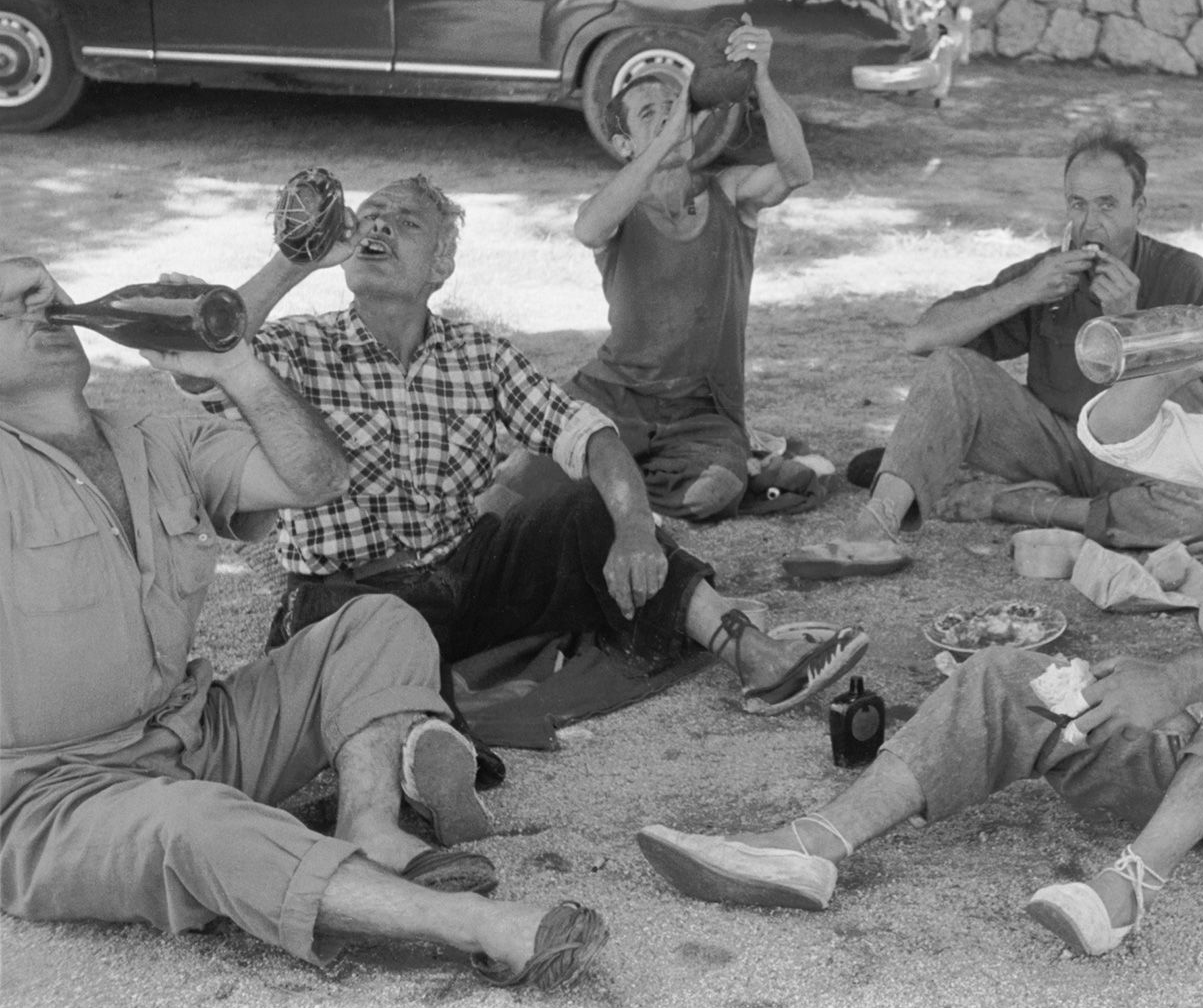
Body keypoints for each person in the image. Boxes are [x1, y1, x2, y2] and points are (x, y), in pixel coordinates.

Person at [638, 275, 1203, 955]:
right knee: (1013, 680)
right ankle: (813, 846)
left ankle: (1128, 887)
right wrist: (1175, 359)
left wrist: (1175, 682)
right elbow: (1116, 437)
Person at [0, 256, 605, 990]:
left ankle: (369, 824)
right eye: (7, 302)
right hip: (48, 798)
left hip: (194, 732)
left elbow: (316, 478)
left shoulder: (157, 437)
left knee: (378, 622)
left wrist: (238, 367)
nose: (41, 299)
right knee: (196, 825)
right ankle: (474, 926)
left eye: (45, 289)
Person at [200, 173, 866, 752]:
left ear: (440, 266)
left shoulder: (478, 354)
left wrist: (635, 528)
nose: (377, 227)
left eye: (405, 222)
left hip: (461, 578)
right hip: (349, 598)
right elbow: (206, 362)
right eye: (369, 217)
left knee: (587, 510)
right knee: (361, 656)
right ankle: (420, 759)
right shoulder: (299, 345)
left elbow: (591, 436)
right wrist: (297, 259)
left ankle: (752, 653)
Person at [782, 127, 1203, 580]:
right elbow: (920, 340)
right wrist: (1025, 290)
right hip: (1053, 446)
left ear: (1139, 208)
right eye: (1077, 204)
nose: (1090, 223)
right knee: (950, 366)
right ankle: (873, 529)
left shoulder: (1184, 274)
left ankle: (1021, 504)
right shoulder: (1049, 273)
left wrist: (1130, 325)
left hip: (1138, 456)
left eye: (1107, 205)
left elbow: (1200, 410)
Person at [568, 15, 812, 520]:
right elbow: (588, 229)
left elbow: (797, 171)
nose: (668, 118)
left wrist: (762, 78)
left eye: (674, 107)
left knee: (712, 494)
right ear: (624, 146)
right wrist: (667, 138)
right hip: (612, 392)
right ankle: (619, 476)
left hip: (700, 410)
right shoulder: (619, 207)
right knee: (527, 471)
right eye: (649, 114)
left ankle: (616, 481)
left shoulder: (728, 192)